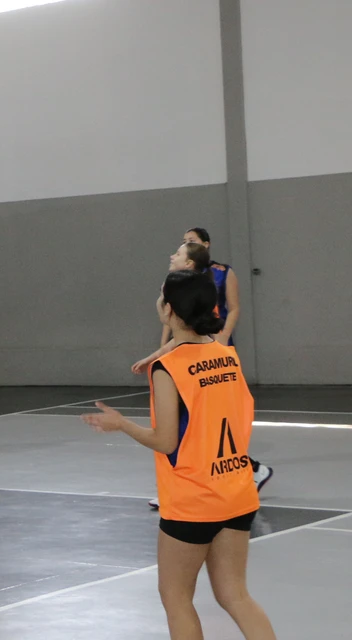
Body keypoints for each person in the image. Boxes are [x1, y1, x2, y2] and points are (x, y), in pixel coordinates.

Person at [84, 270, 275, 640]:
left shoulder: (168, 368)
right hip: (236, 492)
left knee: (175, 596)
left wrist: (121, 424)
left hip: (193, 499)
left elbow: (166, 441)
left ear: (169, 309)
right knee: (235, 595)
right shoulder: (227, 356)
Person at [133, 241, 272, 507]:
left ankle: (249, 470)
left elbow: (191, 335)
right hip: (200, 364)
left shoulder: (196, 294)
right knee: (201, 428)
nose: (172, 255)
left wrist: (120, 423)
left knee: (198, 427)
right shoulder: (187, 293)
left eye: (178, 252)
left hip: (202, 366)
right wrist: (153, 357)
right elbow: (180, 338)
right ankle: (212, 480)